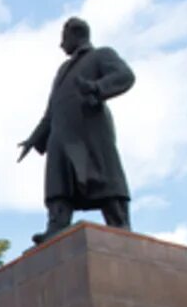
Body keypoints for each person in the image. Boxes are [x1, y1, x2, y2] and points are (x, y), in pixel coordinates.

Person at [17, 16, 136, 244]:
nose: (61, 45)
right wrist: (34, 139)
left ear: (75, 35)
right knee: (58, 183)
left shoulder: (100, 55)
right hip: (60, 136)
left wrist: (96, 88)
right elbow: (50, 111)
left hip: (89, 129)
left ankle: (119, 222)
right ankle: (57, 226)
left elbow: (125, 75)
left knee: (104, 176)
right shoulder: (62, 70)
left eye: (63, 39)